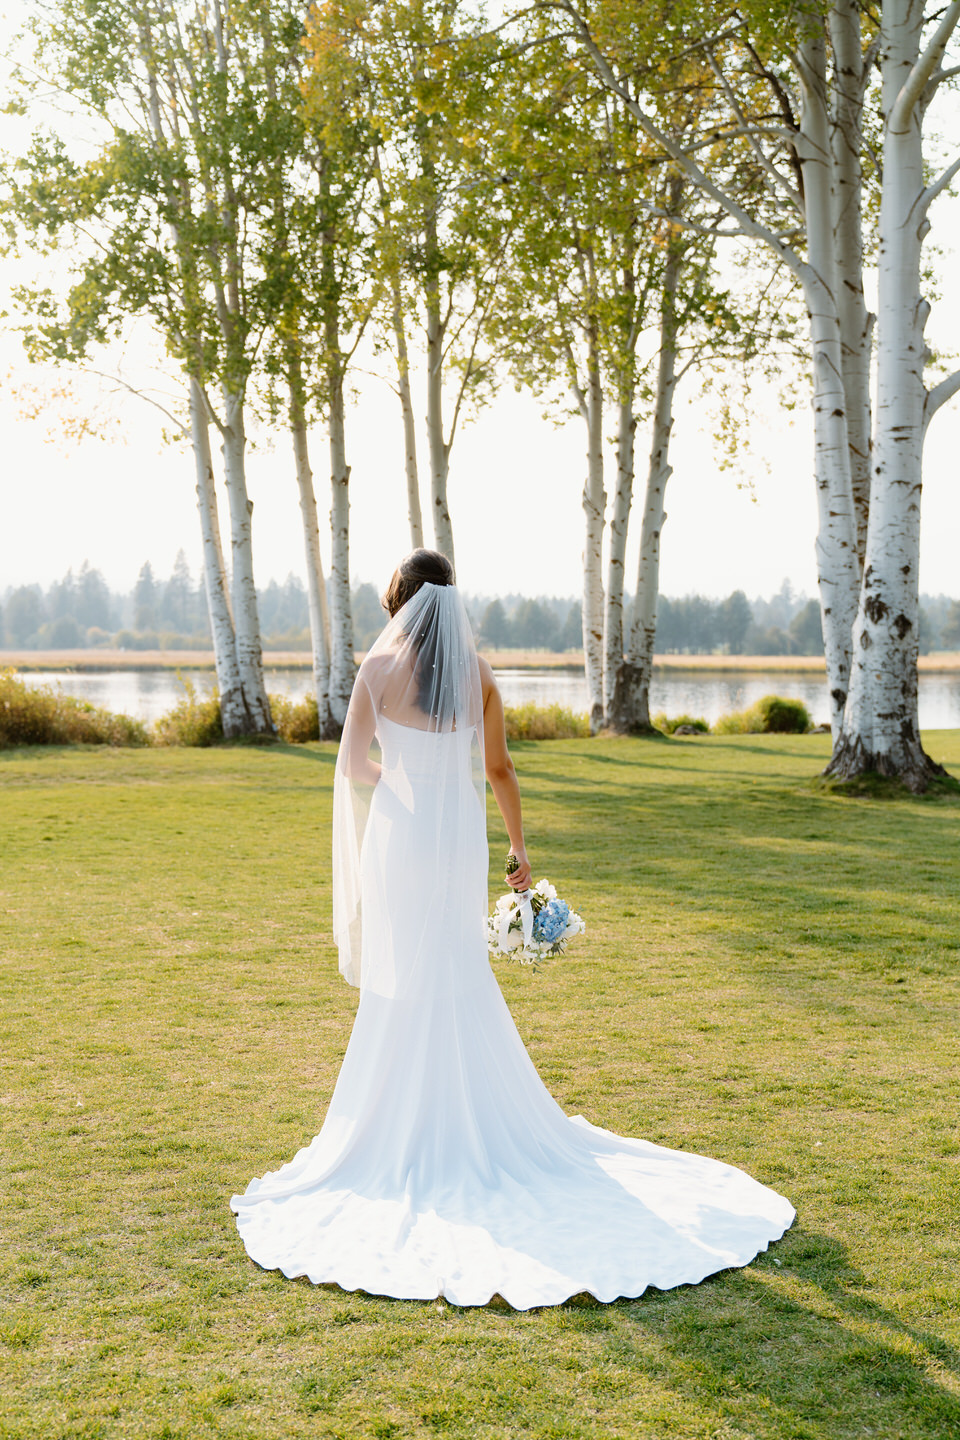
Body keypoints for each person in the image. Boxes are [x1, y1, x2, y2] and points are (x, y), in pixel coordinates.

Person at [231, 549, 793, 1308]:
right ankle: (471, 1119)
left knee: (403, 976)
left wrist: (400, 784)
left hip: (400, 835)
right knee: (457, 968)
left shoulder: (374, 672)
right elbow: (498, 771)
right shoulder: (481, 676)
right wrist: (519, 848)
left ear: (399, 603)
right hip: (459, 836)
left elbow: (355, 766)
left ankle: (399, 1125)